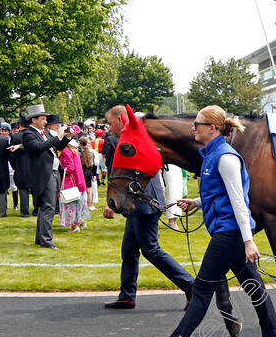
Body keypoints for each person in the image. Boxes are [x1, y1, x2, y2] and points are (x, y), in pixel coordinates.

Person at [139, 105, 276, 337]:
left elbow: (240, 202)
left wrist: (248, 240)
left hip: (229, 235)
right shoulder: (212, 155)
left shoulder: (225, 158)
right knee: (254, 287)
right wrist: (197, 201)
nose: (193, 127)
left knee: (203, 289)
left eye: (198, 124)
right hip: (229, 232)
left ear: (212, 128)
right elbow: (222, 196)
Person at [101, 106, 236, 322]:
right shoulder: (133, 136)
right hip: (140, 198)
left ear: (120, 119)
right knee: (129, 250)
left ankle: (190, 285)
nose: (108, 128)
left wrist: (123, 199)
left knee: (150, 250)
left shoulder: (138, 136)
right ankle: (127, 296)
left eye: (110, 123)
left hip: (144, 200)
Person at [19, 105, 71, 249]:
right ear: (34, 120)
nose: (45, 121)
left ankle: (40, 238)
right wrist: (57, 137)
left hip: (53, 172)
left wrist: (66, 137)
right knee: (48, 206)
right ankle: (46, 241)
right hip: (44, 173)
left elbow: (58, 147)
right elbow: (37, 147)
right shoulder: (28, 134)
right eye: (42, 119)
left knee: (47, 207)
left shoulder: (45, 134)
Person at [58, 139, 90, 232]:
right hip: (79, 181)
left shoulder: (66, 151)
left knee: (70, 205)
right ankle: (80, 220)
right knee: (78, 203)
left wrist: (60, 169)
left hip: (70, 182)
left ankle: (74, 226)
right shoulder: (75, 151)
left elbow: (70, 167)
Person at [9, 118, 32, 217]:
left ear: (20, 125)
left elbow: (11, 154)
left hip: (20, 165)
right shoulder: (33, 135)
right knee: (36, 189)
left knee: (23, 190)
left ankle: (25, 211)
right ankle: (36, 209)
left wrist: (15, 166)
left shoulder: (15, 136)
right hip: (33, 165)